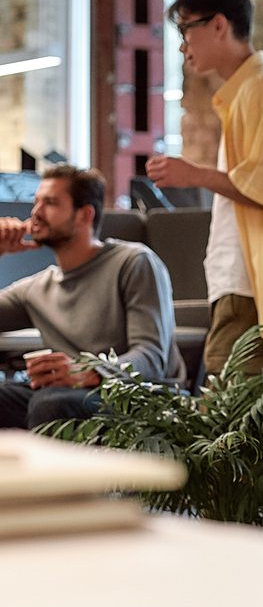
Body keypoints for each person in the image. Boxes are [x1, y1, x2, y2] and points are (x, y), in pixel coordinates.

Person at [145, 0, 263, 375]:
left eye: (186, 29)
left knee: (229, 420)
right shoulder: (249, 92)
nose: (182, 45)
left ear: (219, 25)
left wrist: (196, 175)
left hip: (254, 290)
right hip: (244, 286)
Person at [0, 165, 184, 430]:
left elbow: (151, 358)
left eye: (50, 203)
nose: (35, 213)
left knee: (51, 404)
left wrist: (89, 371)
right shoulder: (37, 288)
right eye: (36, 202)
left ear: (84, 215)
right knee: (39, 400)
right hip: (63, 394)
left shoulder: (133, 262)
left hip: (136, 396)